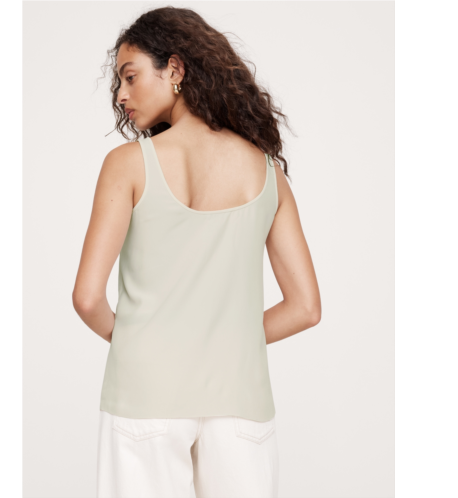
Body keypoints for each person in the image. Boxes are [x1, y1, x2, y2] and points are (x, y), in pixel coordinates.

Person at [73, 6, 321, 498]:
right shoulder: (266, 172)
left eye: (130, 76)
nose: (120, 94)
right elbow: (306, 308)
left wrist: (146, 345)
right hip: (240, 402)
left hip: (145, 398)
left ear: (176, 69)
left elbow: (87, 297)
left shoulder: (127, 164)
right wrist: (221, 342)